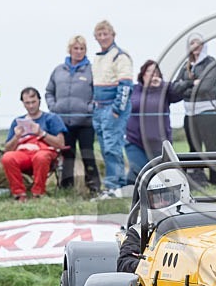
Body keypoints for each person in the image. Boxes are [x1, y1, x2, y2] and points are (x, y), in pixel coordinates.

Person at [45, 35, 100, 194]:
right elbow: (49, 91)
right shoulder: (58, 70)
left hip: (85, 122)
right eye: (75, 48)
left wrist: (89, 109)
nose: (78, 51)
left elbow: (97, 92)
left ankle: (93, 187)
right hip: (63, 122)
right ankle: (66, 188)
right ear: (70, 50)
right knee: (67, 156)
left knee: (87, 154)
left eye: (82, 49)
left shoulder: (91, 71)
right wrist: (53, 107)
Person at [117, 169, 192, 272]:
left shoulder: (198, 223)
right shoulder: (139, 232)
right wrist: (149, 266)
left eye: (166, 197)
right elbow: (124, 264)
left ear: (182, 192)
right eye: (155, 199)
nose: (161, 203)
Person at [1, 87, 68, 201]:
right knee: (8, 158)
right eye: (27, 103)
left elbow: (60, 144)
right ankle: (19, 194)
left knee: (40, 157)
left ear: (39, 101)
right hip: (24, 153)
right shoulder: (17, 121)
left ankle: (38, 193)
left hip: (44, 152)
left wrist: (41, 133)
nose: (31, 106)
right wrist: (16, 137)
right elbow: (7, 149)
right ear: (23, 103)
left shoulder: (51, 118)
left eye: (33, 102)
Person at [91, 20, 133, 199]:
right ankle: (118, 186)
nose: (102, 38)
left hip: (112, 107)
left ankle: (113, 186)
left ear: (113, 35)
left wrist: (117, 109)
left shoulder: (120, 56)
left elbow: (125, 85)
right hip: (98, 108)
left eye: (105, 34)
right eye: (99, 35)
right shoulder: (98, 57)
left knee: (112, 147)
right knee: (104, 147)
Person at [126, 60, 186, 184]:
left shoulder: (165, 90)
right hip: (134, 140)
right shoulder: (134, 89)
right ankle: (130, 195)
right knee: (138, 170)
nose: (152, 74)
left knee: (159, 176)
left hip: (159, 142)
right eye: (149, 71)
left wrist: (162, 85)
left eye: (156, 72)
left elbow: (178, 94)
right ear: (142, 74)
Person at [175, 32, 216, 187]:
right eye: (192, 43)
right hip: (189, 113)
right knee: (194, 148)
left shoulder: (210, 62)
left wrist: (187, 85)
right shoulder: (185, 65)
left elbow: (206, 87)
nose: (195, 47)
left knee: (211, 149)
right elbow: (176, 88)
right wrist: (192, 84)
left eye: (198, 43)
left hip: (207, 111)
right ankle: (198, 180)